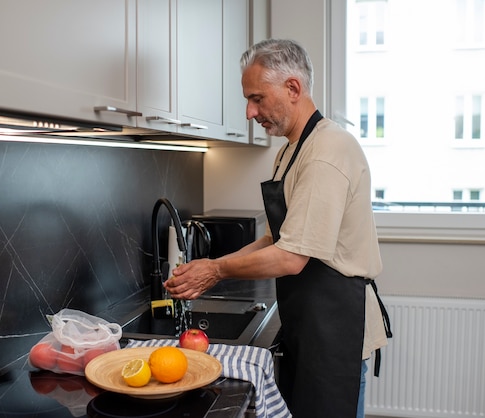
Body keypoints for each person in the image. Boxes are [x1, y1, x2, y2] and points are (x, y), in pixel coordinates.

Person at [165, 39, 391, 418]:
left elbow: (290, 257)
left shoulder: (327, 152)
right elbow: (276, 239)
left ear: (292, 88)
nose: (250, 112)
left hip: (337, 327)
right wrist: (210, 267)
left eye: (257, 98)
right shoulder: (292, 148)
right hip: (310, 321)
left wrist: (215, 271)